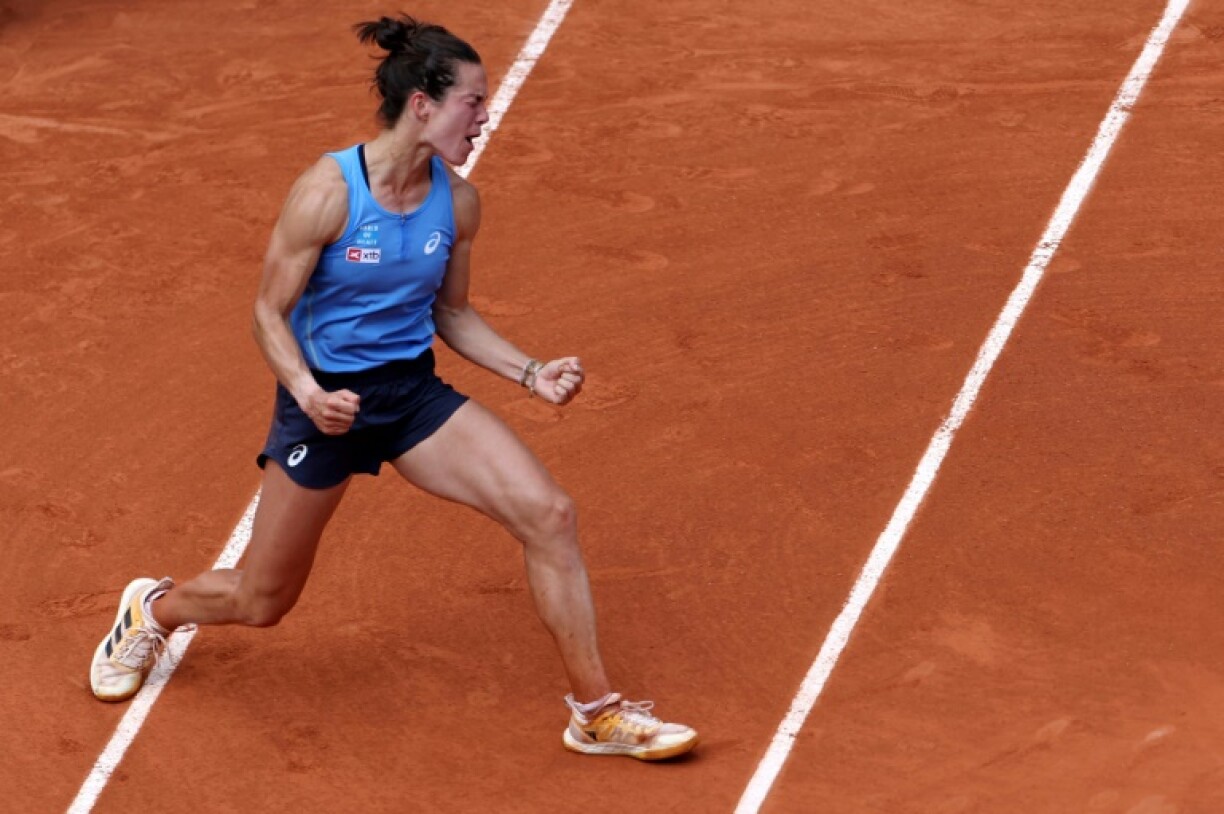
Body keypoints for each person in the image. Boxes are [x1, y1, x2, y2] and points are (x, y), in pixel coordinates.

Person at [87, 14, 697, 761]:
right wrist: (308, 393)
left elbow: (452, 312)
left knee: (550, 515)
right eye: (474, 101)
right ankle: (153, 608)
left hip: (411, 397)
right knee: (263, 599)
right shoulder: (326, 193)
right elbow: (267, 314)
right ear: (422, 105)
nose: (485, 115)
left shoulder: (458, 202)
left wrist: (530, 372)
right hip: (326, 409)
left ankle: (596, 712)